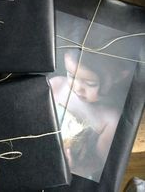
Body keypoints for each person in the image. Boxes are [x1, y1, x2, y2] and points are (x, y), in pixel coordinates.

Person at [50, 48, 133, 181]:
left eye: (90, 84)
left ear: (119, 76)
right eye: (71, 75)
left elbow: (98, 164)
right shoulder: (57, 85)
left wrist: (73, 168)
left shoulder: (110, 120)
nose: (77, 87)